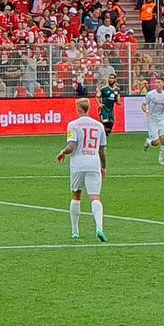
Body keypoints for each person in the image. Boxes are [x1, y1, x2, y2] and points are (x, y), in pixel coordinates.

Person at [57, 97, 108, 241]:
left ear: (78, 109)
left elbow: (71, 146)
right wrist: (104, 166)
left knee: (76, 195)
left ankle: (75, 232)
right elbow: (102, 150)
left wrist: (62, 152)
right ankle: (99, 228)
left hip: (78, 164)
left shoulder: (73, 125)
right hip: (94, 163)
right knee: (95, 197)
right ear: (89, 108)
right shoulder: (99, 126)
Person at [141, 74, 164, 166]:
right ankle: (148, 142)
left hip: (161, 119)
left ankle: (160, 160)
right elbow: (143, 105)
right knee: (156, 143)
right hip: (151, 120)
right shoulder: (150, 94)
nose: (157, 84)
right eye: (156, 82)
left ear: (163, 84)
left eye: (159, 82)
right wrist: (147, 111)